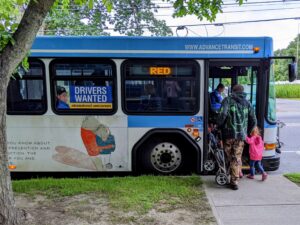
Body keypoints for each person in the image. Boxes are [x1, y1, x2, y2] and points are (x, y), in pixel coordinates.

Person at [217, 84, 257, 190]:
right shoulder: (248, 103)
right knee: (236, 157)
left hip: (228, 135)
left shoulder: (227, 100)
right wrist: (246, 132)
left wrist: (218, 126)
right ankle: (234, 180)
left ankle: (231, 179)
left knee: (229, 157)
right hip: (240, 137)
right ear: (242, 91)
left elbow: (222, 115)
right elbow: (254, 120)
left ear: (233, 91)